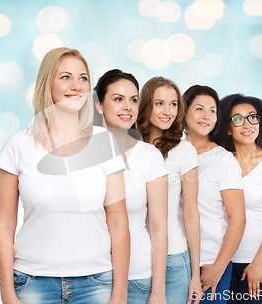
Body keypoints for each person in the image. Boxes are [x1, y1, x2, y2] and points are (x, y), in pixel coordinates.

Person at [0, 47, 130, 304]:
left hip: (96, 284)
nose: (76, 86)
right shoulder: (17, 144)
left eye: (83, 78)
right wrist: (7, 295)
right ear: (48, 83)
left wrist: (120, 294)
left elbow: (119, 222)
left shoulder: (104, 142)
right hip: (32, 284)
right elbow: (3, 225)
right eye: (65, 77)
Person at [94, 69, 168, 304]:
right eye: (118, 99)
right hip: (89, 279)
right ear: (99, 105)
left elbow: (158, 227)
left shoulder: (149, 156)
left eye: (133, 100)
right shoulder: (81, 152)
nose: (128, 107)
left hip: (138, 279)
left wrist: (158, 292)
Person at [211, 94, 262, 303]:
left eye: (252, 117)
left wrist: (258, 263)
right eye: (237, 119)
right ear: (227, 128)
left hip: (259, 267)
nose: (247, 124)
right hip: (222, 265)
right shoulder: (220, 162)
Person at [137, 77, 202, 304]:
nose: (168, 111)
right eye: (159, 103)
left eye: (173, 104)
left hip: (173, 258)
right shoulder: (129, 146)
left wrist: (194, 275)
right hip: (133, 259)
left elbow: (191, 213)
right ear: (146, 105)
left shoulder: (184, 151)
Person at [182, 86, 246, 304]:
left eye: (212, 111)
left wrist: (218, 268)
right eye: (199, 109)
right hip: (174, 262)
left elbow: (238, 218)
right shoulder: (170, 152)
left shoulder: (223, 160)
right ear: (184, 111)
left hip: (208, 265)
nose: (206, 116)